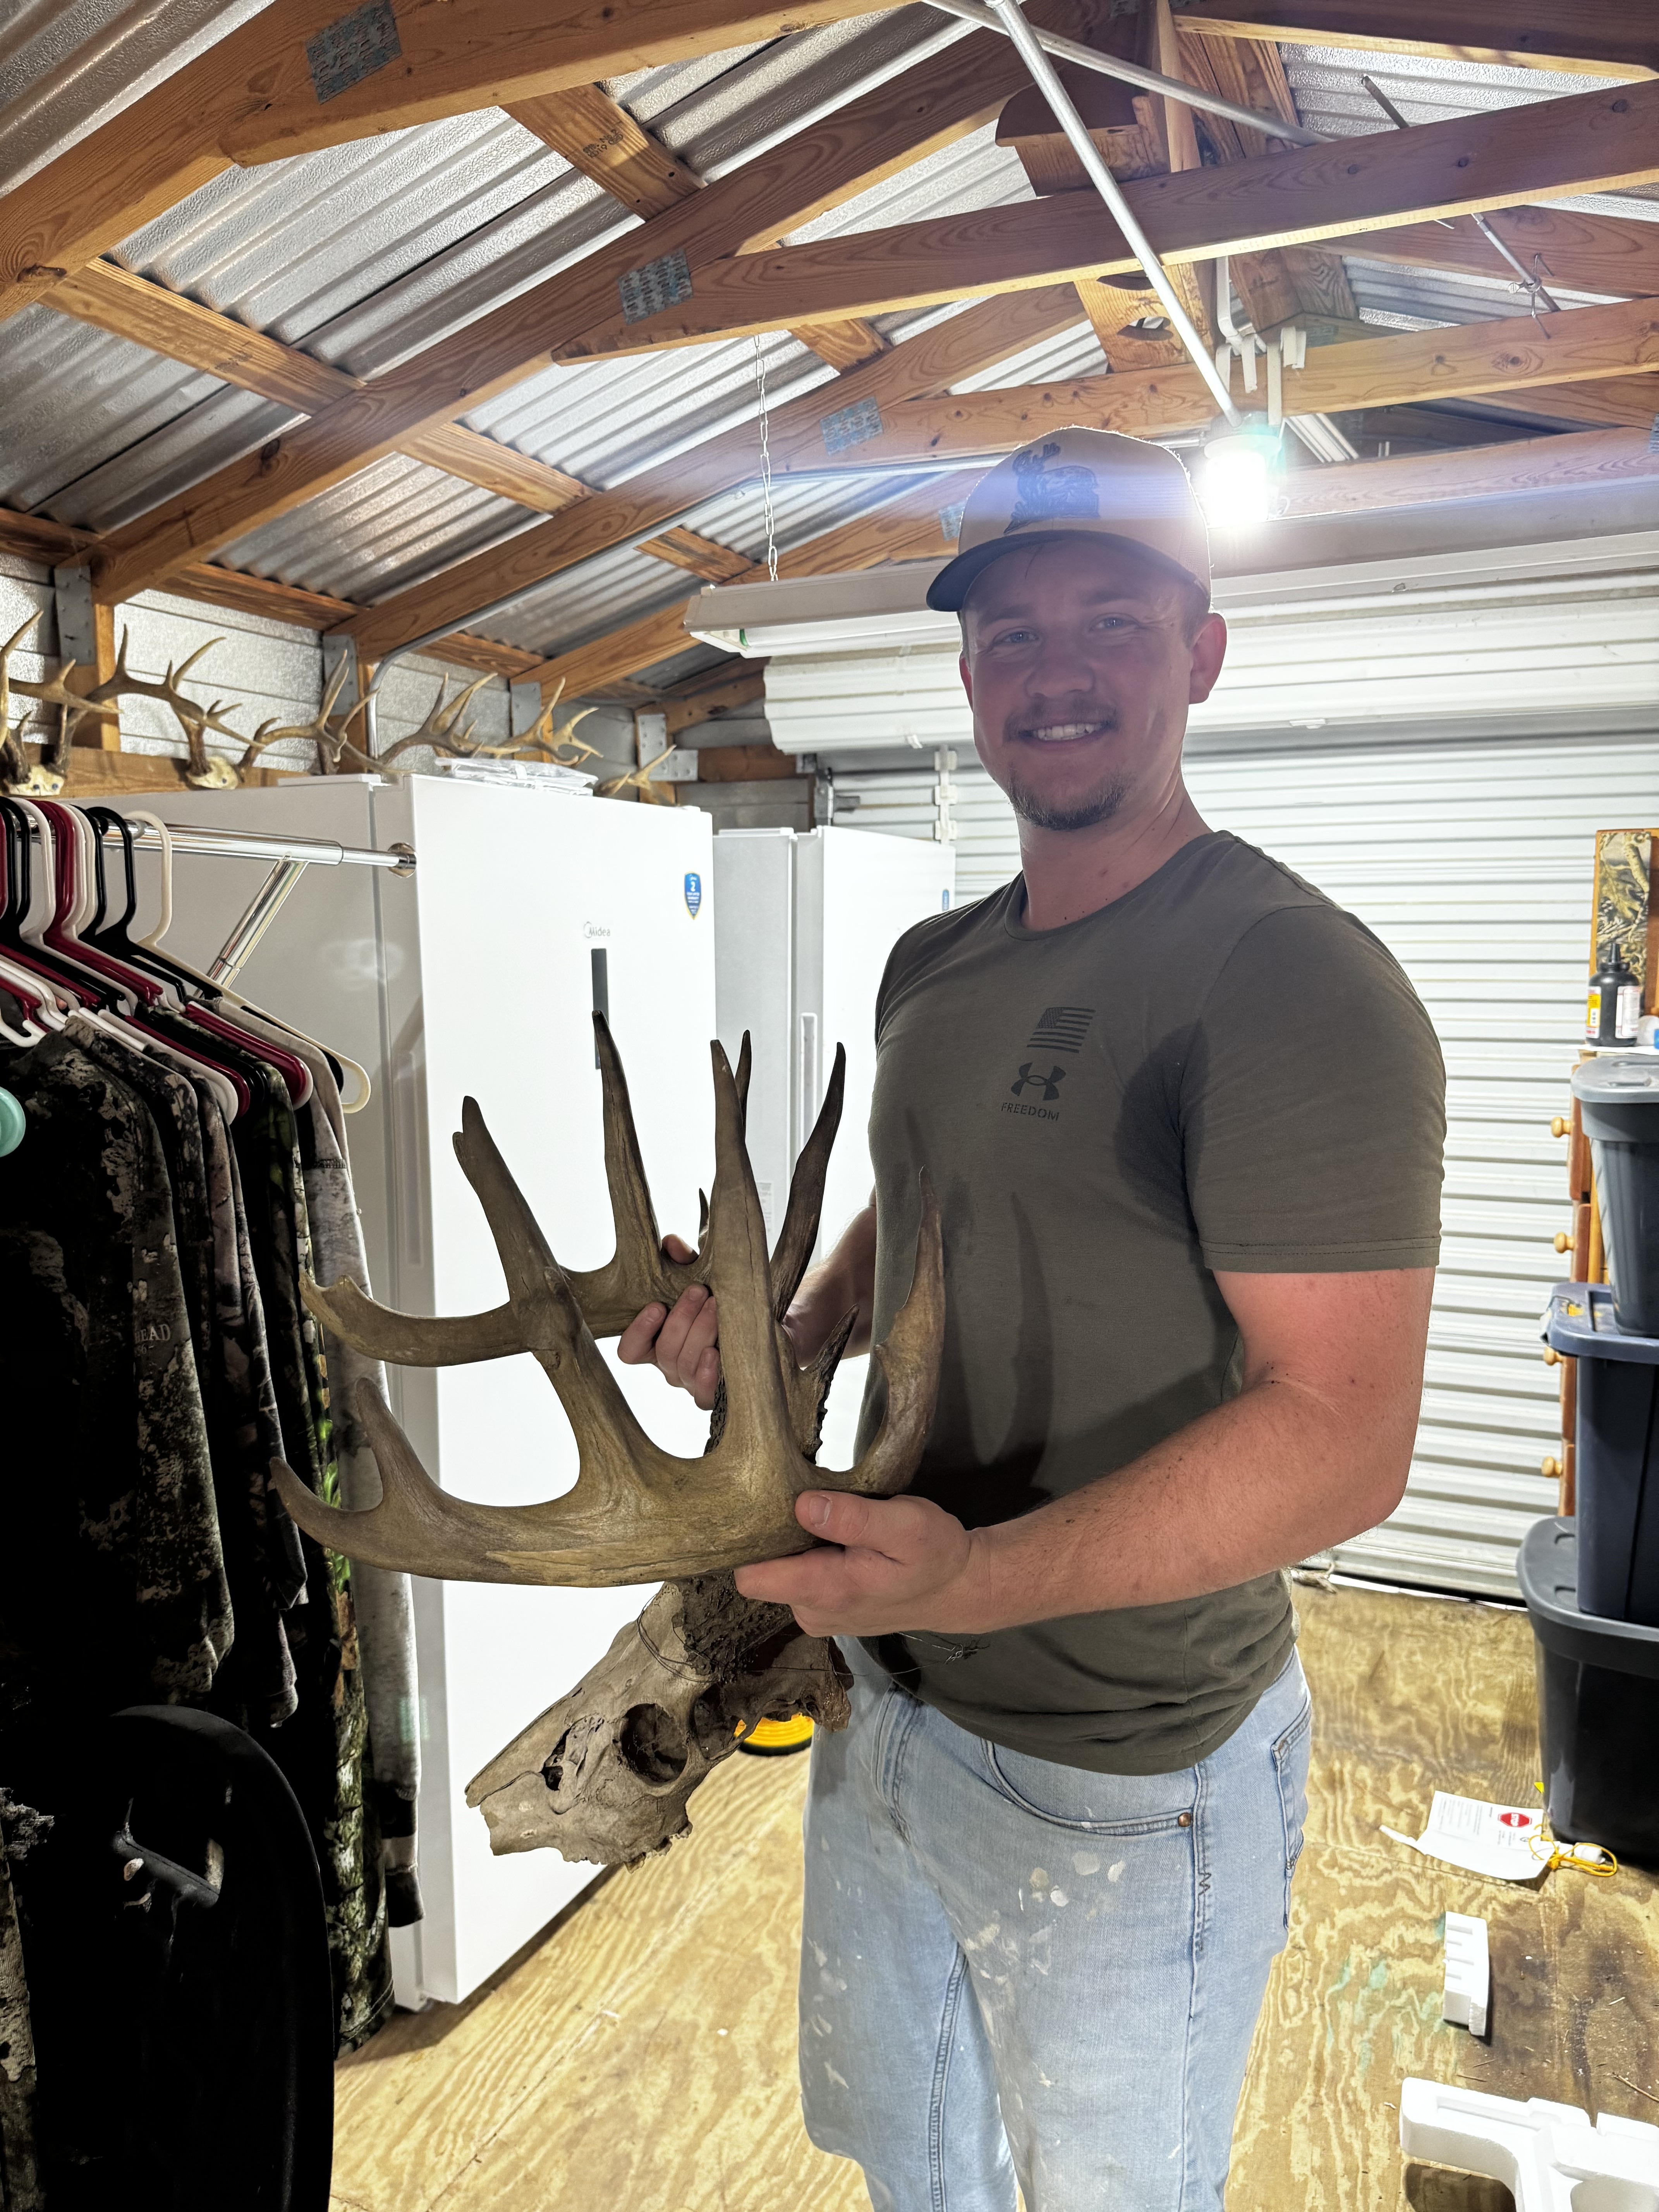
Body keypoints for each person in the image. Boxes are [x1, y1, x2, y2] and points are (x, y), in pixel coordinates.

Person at [618, 426, 1445, 2212]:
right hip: (887, 1702)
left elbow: (1345, 1434)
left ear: (1199, 653)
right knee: (914, 2164)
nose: (1054, 674)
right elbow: (922, 1216)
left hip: (1121, 1770)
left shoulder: (1288, 978)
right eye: (1011, 635)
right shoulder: (940, 958)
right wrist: (793, 1335)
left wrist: (973, 1580)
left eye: (1111, 623)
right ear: (970, 671)